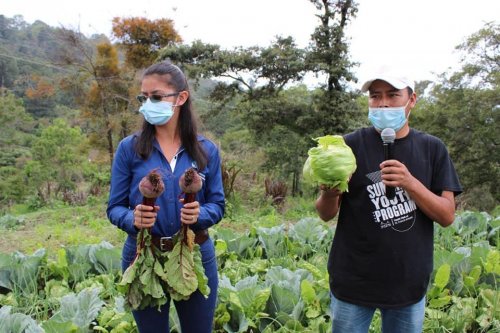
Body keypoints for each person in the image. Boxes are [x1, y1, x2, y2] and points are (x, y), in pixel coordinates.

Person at [315, 71, 462, 332]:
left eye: (393, 95)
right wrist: (330, 192)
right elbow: (325, 214)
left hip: (407, 281)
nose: (383, 104)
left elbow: (447, 215)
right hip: (353, 279)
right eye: (375, 96)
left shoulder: (432, 148)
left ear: (411, 100)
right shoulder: (347, 147)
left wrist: (411, 183)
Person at [107, 60, 225, 333]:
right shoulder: (129, 149)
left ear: (181, 98)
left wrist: (200, 215)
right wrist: (133, 218)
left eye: (156, 97)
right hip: (143, 254)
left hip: (194, 254)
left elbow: (218, 205)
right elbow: (114, 207)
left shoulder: (206, 151)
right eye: (144, 97)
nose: (148, 103)